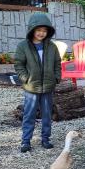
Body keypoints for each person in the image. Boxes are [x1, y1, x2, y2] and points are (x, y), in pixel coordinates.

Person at [14, 12, 61, 153]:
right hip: (31, 87)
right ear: (32, 29)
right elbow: (18, 64)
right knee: (29, 114)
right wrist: (24, 78)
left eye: (44, 31)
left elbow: (57, 63)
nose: (41, 33)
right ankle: (25, 141)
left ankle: (45, 139)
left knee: (47, 114)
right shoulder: (23, 46)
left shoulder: (52, 47)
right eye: (39, 30)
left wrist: (56, 77)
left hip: (48, 86)